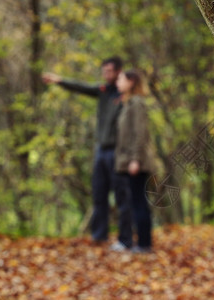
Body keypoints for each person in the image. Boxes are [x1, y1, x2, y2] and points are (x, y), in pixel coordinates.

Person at [42, 57, 130, 246]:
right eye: (104, 71)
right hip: (101, 150)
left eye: (109, 71)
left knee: (122, 195)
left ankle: (126, 237)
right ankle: (99, 235)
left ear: (118, 72)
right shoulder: (103, 91)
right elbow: (82, 87)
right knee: (99, 193)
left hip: (118, 151)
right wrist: (59, 81)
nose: (106, 75)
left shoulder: (126, 94)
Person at [113, 70, 156, 253]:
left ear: (131, 82)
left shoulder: (137, 103)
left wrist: (135, 159)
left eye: (120, 79)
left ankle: (144, 244)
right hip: (129, 160)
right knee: (134, 201)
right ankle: (139, 242)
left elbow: (140, 133)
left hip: (136, 161)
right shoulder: (127, 103)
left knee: (139, 202)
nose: (117, 82)